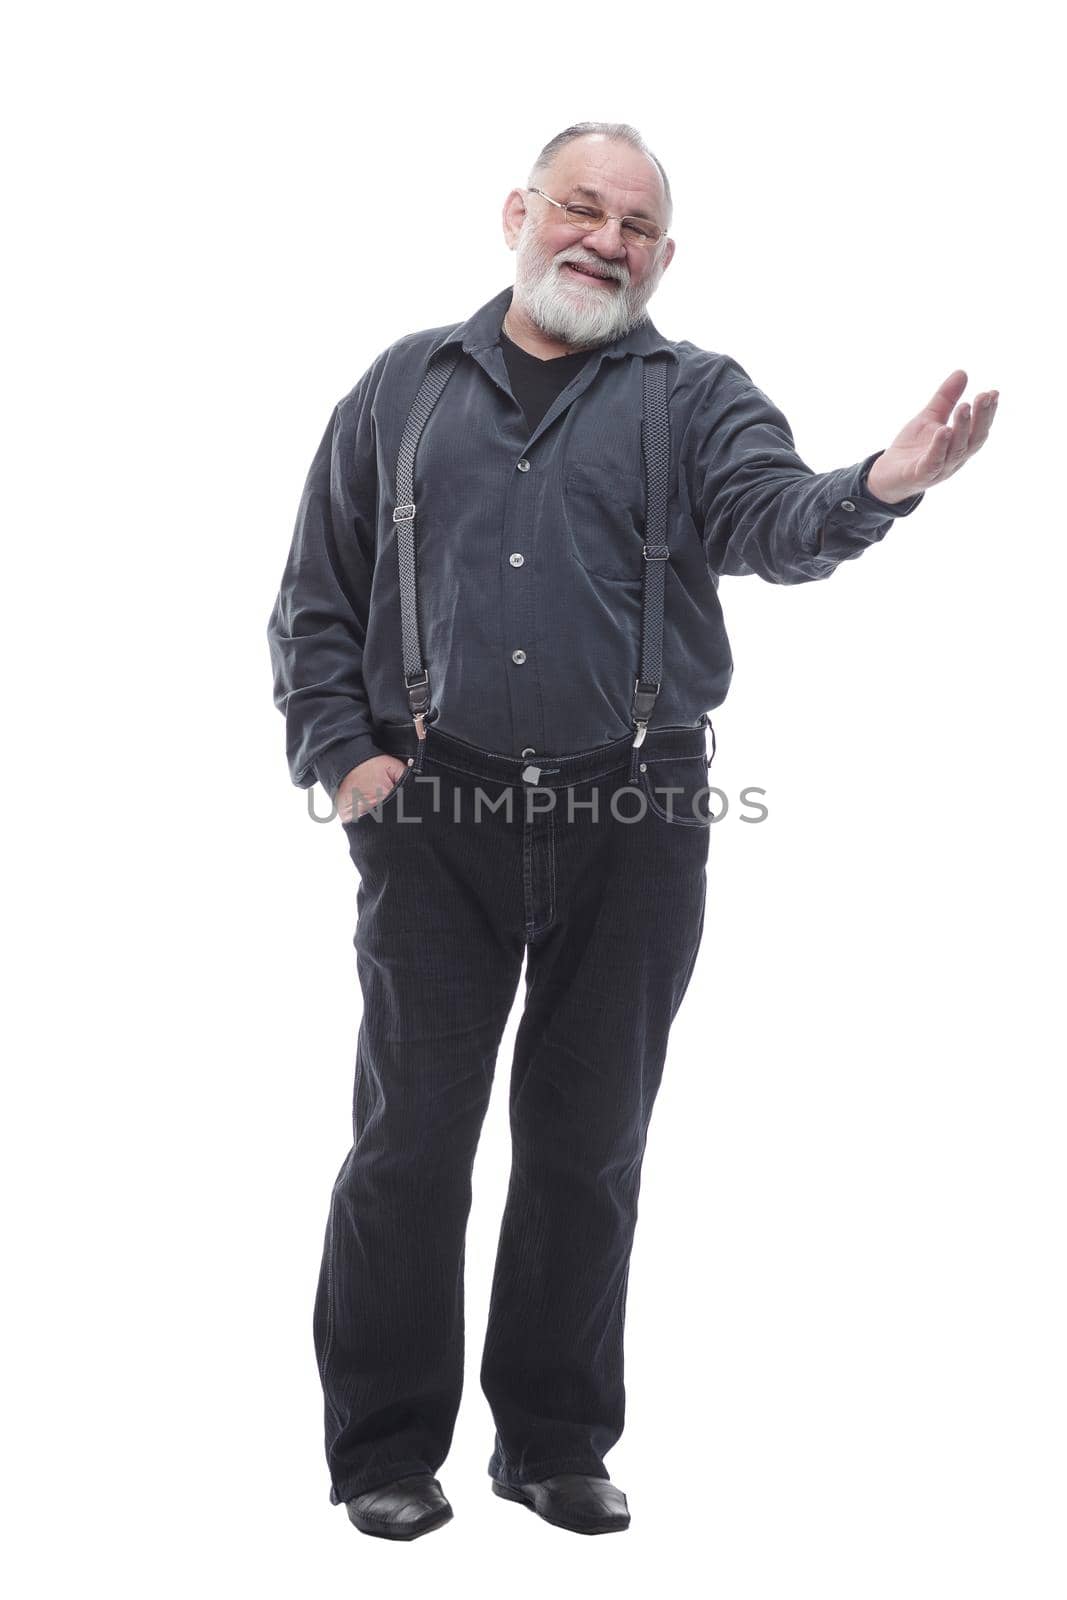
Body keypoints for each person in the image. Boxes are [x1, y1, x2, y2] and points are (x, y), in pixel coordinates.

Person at [267, 120, 998, 1542]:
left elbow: (774, 520)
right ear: (519, 214)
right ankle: (384, 1451)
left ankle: (551, 1443)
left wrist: (881, 487)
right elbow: (317, 594)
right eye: (582, 209)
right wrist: (345, 763)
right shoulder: (402, 387)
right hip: (436, 810)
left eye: (638, 226)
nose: (606, 240)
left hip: (638, 809)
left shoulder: (694, 396)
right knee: (410, 1141)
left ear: (667, 258)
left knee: (588, 1140)